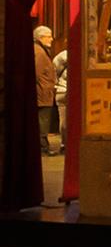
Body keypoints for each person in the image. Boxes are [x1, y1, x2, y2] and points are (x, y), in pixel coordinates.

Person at [33, 25, 58, 156]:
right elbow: (35, 73)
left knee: (42, 121)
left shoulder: (40, 50)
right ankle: (43, 147)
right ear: (41, 38)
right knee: (43, 122)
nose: (52, 39)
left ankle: (43, 146)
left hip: (43, 92)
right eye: (49, 36)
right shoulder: (40, 53)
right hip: (42, 93)